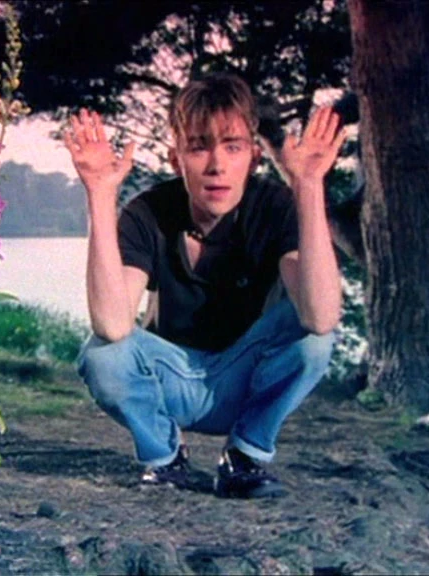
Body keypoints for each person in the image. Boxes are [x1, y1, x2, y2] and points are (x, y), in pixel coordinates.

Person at [64, 73, 345, 499]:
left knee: (315, 339)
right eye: (198, 147)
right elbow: (112, 325)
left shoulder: (274, 206)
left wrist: (307, 185)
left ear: (253, 156)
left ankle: (244, 457)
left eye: (232, 147)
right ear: (176, 159)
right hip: (168, 380)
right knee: (101, 354)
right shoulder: (147, 213)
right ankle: (165, 458)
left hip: (245, 378)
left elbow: (321, 317)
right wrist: (101, 195)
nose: (216, 166)